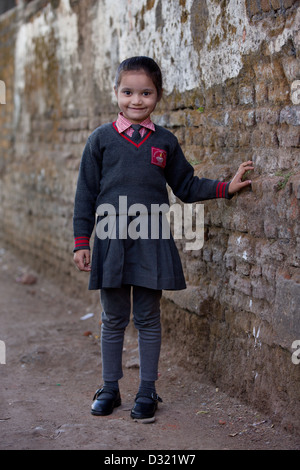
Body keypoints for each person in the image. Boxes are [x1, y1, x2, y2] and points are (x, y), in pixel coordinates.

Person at [73, 56, 254, 421]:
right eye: (128, 92)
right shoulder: (100, 140)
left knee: (148, 317)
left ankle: (147, 392)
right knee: (113, 318)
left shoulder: (165, 142)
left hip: (151, 238)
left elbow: (186, 185)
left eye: (145, 93)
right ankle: (110, 388)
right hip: (111, 239)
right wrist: (81, 242)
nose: (135, 101)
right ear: (116, 93)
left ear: (157, 96)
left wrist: (225, 188)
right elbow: (85, 194)